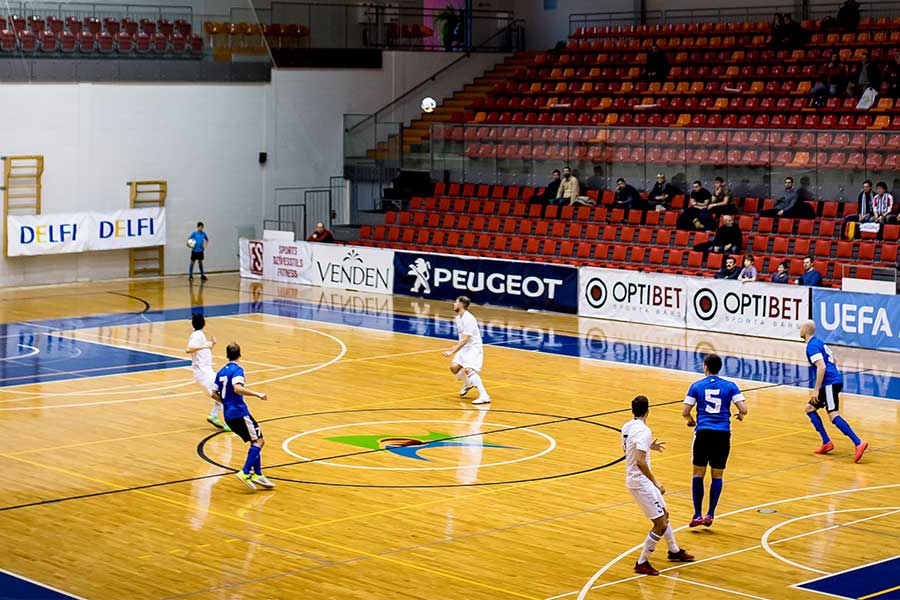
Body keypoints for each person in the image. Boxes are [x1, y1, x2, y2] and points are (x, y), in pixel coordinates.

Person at [622, 395, 694, 575]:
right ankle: (642, 563)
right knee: (660, 524)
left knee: (665, 513)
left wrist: (648, 447)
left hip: (638, 480)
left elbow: (629, 448)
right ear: (648, 410)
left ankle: (674, 551)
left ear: (633, 410)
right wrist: (656, 482)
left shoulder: (627, 426)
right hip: (640, 482)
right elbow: (639, 461)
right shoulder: (643, 431)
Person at [682, 354, 748, 528]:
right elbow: (744, 408)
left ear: (705, 367)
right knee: (717, 476)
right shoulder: (730, 386)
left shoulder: (696, 386)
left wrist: (690, 420)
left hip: (703, 433)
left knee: (698, 475)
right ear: (720, 368)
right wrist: (740, 415)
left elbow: (685, 411)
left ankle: (697, 514)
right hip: (722, 435)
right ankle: (710, 514)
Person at [799, 321, 868, 462]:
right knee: (809, 408)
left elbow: (822, 366)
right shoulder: (819, 342)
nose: (799, 330)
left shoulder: (811, 346)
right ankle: (826, 442)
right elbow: (834, 360)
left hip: (829, 384)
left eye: (800, 328)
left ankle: (858, 442)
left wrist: (816, 390)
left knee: (833, 415)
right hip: (832, 382)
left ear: (805, 330)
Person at [214, 342, 275, 490]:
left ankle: (258, 474)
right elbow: (237, 388)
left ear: (227, 355)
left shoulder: (220, 372)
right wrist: (257, 394)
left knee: (254, 440)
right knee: (259, 441)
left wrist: (226, 402)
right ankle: (245, 472)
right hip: (239, 413)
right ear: (240, 355)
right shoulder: (238, 370)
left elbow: (213, 393)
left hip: (228, 415)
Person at [442, 295, 490, 405]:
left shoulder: (469, 319)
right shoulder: (458, 318)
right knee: (454, 368)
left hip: (473, 348)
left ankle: (484, 396)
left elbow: (465, 339)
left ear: (461, 305)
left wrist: (451, 352)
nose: (454, 304)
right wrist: (456, 346)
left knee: (468, 369)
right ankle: (468, 384)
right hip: (465, 347)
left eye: (456, 302)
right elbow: (462, 338)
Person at [185, 314, 227, 431]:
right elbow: (188, 349)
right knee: (223, 395)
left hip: (207, 371)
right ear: (203, 323)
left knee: (222, 393)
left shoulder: (199, 335)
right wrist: (205, 345)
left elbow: (202, 351)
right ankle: (228, 421)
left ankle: (213, 415)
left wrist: (211, 344)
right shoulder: (196, 335)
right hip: (203, 372)